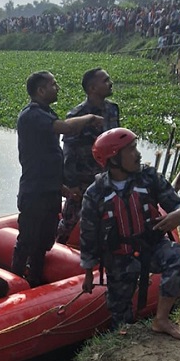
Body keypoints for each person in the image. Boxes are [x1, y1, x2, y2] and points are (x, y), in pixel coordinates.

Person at [79, 128, 180, 341]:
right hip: (119, 257)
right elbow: (88, 234)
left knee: (179, 257)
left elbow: (178, 203)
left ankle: (162, 319)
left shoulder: (149, 178)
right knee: (119, 311)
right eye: (131, 150)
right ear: (113, 159)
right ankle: (122, 341)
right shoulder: (95, 193)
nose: (138, 154)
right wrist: (87, 272)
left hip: (152, 246)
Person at [13, 71, 103, 287]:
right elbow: (67, 128)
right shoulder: (32, 114)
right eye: (53, 84)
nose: (58, 87)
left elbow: (47, 162)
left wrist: (64, 189)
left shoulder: (45, 112)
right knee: (27, 240)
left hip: (49, 191)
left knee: (43, 242)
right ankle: (15, 281)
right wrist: (90, 118)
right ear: (41, 90)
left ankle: (34, 280)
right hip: (34, 193)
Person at [56, 68, 121, 244]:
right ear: (92, 88)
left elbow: (118, 143)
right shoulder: (77, 115)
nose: (110, 83)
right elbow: (68, 152)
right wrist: (72, 184)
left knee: (110, 217)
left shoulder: (113, 110)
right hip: (83, 178)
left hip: (108, 177)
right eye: (105, 80)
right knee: (69, 220)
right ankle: (57, 248)